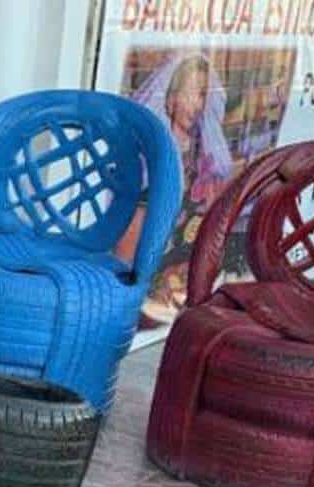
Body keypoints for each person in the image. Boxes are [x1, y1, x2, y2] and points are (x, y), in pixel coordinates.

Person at [116, 53, 233, 327]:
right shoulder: (150, 165)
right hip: (145, 293)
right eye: (191, 93)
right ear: (170, 98)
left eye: (203, 95)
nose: (198, 105)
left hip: (182, 291)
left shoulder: (205, 165)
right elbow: (124, 258)